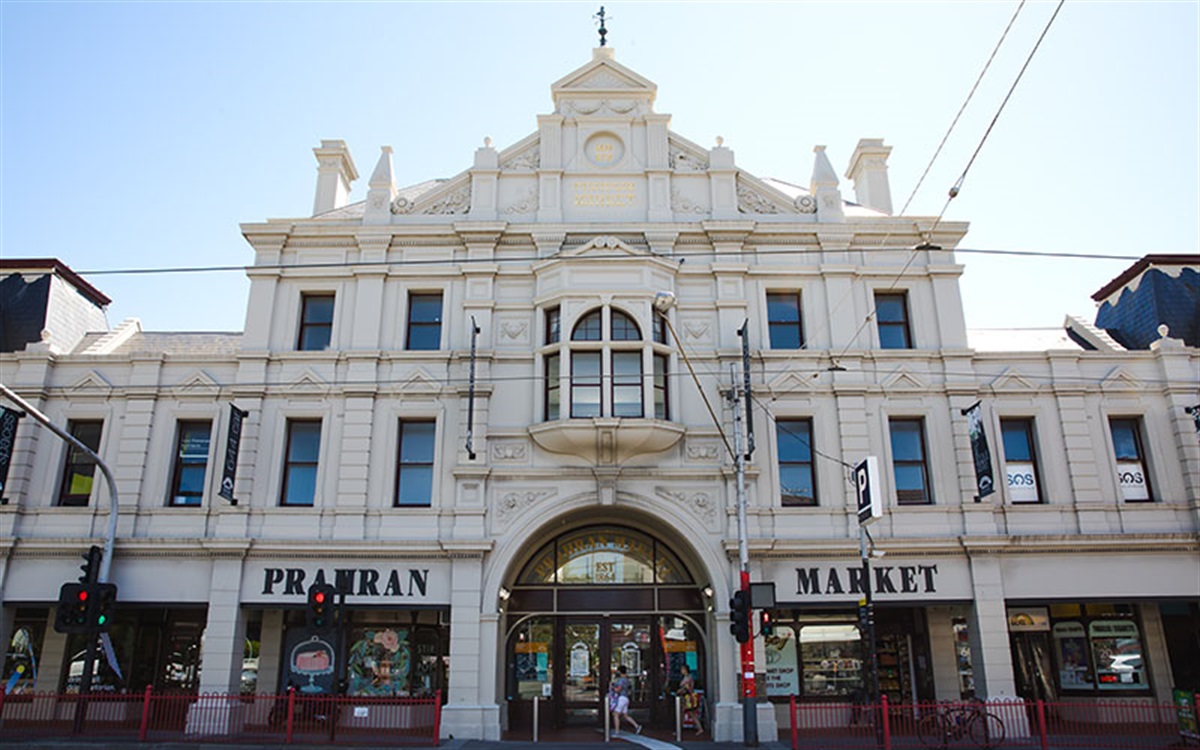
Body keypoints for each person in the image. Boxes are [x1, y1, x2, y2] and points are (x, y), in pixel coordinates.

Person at [609, 664, 642, 735]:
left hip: (621, 698)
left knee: (615, 714)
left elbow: (618, 689)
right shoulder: (627, 680)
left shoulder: (621, 680)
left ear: (620, 671)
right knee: (625, 715)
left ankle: (617, 732)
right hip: (626, 698)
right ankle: (636, 726)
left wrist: (612, 687)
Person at [677, 664, 703, 735]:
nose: (681, 670)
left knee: (690, 713)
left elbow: (687, 688)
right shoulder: (686, 677)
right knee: (686, 713)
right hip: (685, 697)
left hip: (687, 697)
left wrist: (680, 690)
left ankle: (680, 729)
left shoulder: (688, 678)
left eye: (682, 669)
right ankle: (680, 728)